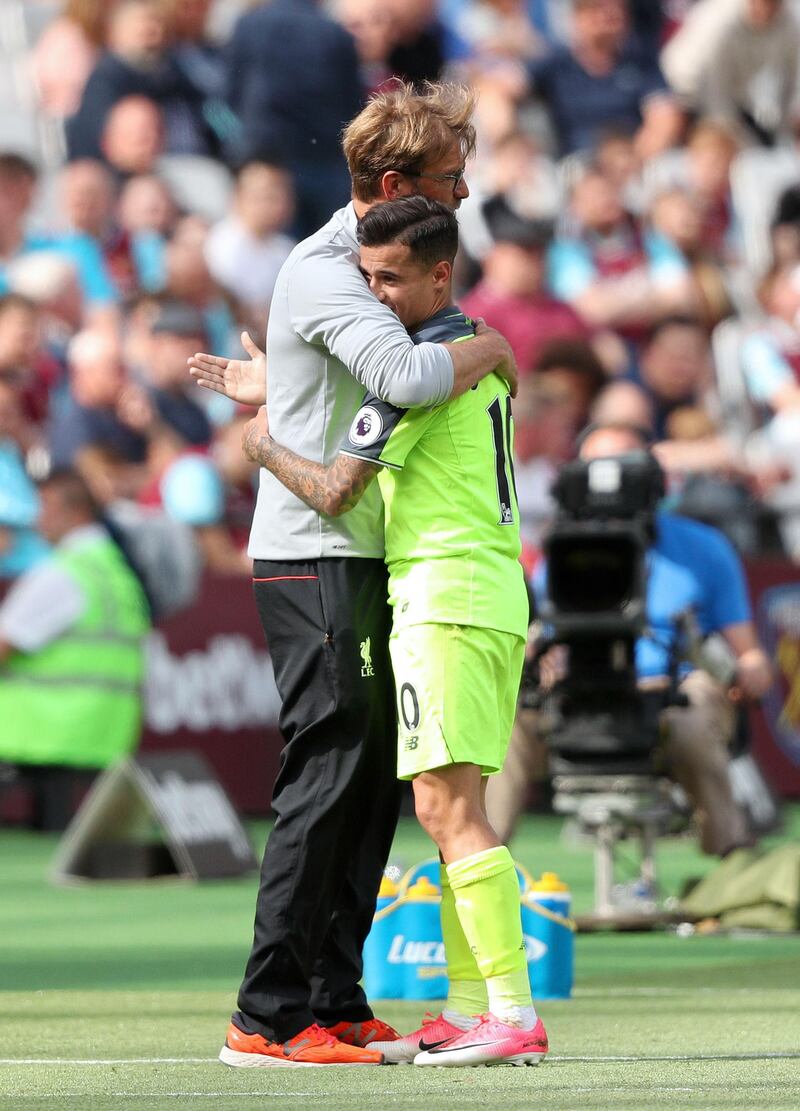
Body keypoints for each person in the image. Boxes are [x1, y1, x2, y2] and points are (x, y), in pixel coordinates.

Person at [189, 82, 518, 1069]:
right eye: (447, 180)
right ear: (391, 183)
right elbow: (410, 377)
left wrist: (275, 385)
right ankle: (268, 1014)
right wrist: (493, 344)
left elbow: (353, 384)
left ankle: (332, 993)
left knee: (370, 783)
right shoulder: (333, 268)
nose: (458, 197)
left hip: (362, 547)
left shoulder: (365, 268)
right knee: (326, 776)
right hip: (312, 549)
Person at [243, 195, 548, 1067]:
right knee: (462, 807)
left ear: (439, 274)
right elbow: (499, 361)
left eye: (390, 278)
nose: (373, 295)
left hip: (443, 599)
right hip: (493, 591)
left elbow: (336, 489)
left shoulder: (412, 372)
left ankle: (511, 1012)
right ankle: (466, 1005)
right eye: (365, 277)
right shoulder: (474, 352)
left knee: (445, 809)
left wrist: (265, 442)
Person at [485, 421, 773, 858]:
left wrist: (750, 668)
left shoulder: (704, 548)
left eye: (624, 463)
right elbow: (539, 631)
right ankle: (475, 860)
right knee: (504, 722)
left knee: (691, 715)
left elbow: (749, 654)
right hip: (577, 692)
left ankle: (731, 857)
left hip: (672, 691)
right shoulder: (563, 548)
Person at [0, 468, 151, 830]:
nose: (38, 518)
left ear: (77, 511)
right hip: (108, 735)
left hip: (42, 734)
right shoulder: (119, 575)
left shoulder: (63, 573)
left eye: (46, 506)